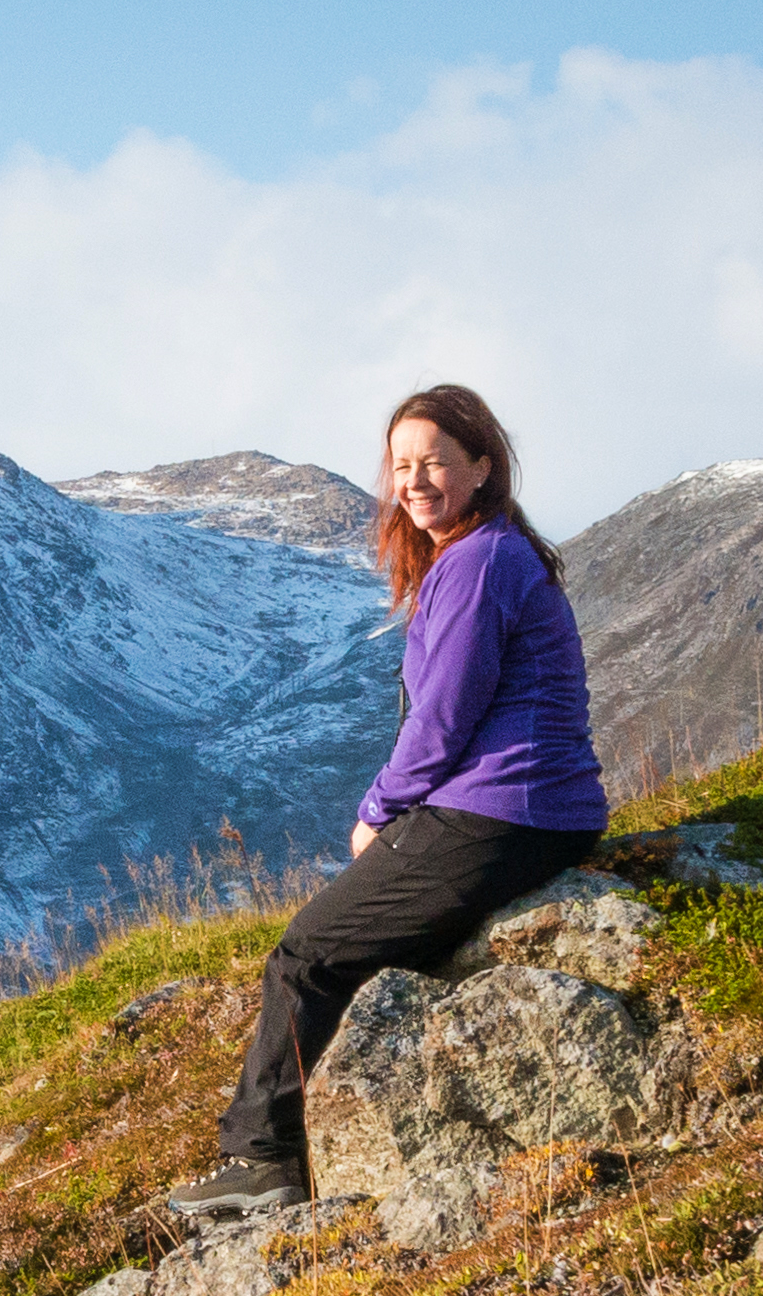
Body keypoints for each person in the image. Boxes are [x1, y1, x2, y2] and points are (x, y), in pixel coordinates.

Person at [184, 382, 605, 1219]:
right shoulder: (488, 553)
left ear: (483, 468)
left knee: (306, 950)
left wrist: (379, 812)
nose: (414, 481)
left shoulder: (479, 562)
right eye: (401, 466)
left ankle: (263, 1158)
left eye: (435, 463)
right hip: (538, 811)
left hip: (498, 813)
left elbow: (444, 717)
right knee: (356, 944)